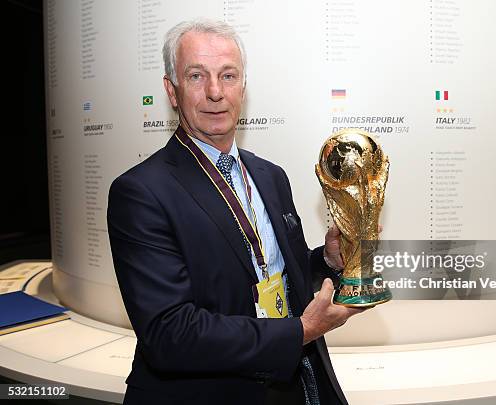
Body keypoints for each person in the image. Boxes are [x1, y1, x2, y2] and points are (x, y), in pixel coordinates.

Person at [107, 18, 364, 405]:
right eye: (196, 76)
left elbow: (271, 274)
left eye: (228, 75)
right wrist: (301, 331)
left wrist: (326, 260)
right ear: (171, 91)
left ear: (243, 86)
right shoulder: (141, 192)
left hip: (289, 384)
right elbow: (169, 333)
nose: (215, 92)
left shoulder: (270, 175)